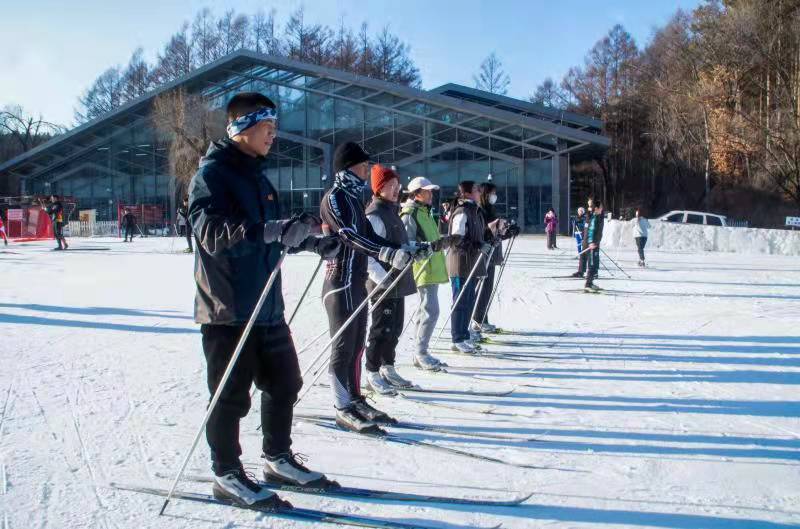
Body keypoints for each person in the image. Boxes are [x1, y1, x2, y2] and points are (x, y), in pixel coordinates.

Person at [188, 92, 341, 508]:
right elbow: (212, 233)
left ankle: (277, 458)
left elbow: (271, 233)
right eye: (266, 128)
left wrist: (310, 241)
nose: (273, 136)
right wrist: (272, 231)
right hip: (230, 306)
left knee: (285, 382)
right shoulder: (212, 175)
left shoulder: (257, 176)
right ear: (240, 128)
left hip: (267, 304)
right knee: (231, 395)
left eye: (274, 128)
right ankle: (227, 473)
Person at [320, 142, 420, 433]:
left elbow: (370, 238)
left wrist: (405, 248)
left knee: (355, 346)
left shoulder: (355, 198)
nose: (367, 170)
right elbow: (350, 236)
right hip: (339, 282)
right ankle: (342, 406)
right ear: (348, 166)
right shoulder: (336, 197)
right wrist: (387, 254)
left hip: (357, 282)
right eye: (363, 165)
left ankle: (354, 399)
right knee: (342, 346)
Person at [364, 165, 419, 395]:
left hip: (398, 282)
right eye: (390, 186)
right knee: (381, 329)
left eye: (397, 186)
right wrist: (382, 281)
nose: (396, 190)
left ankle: (388, 366)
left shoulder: (392, 211)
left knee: (395, 328)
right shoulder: (374, 215)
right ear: (378, 188)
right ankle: (372, 370)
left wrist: (413, 249)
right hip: (383, 284)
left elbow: (397, 244)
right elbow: (368, 255)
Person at [400, 177, 449, 372]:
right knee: (431, 310)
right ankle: (421, 352)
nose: (431, 194)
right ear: (417, 193)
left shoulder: (425, 212)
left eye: (431, 191)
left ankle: (419, 352)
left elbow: (431, 238)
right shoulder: (410, 213)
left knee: (426, 310)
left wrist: (442, 242)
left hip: (432, 267)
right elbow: (406, 244)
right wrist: (427, 247)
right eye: (427, 191)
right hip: (421, 268)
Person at [447, 181, 492, 354]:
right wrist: (477, 245)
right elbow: (457, 238)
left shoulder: (475, 211)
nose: (479, 192)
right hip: (460, 263)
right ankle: (456, 337)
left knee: (468, 300)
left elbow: (479, 234)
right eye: (476, 190)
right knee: (460, 300)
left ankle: (463, 335)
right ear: (466, 193)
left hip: (470, 263)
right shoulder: (462, 212)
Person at [471, 182, 513, 334]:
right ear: (485, 194)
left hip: (492, 253)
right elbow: (483, 231)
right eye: (492, 193)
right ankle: (477, 318)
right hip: (483, 254)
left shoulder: (490, 209)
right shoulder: (480, 210)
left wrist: (508, 232)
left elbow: (496, 233)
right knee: (481, 288)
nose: (494, 196)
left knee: (487, 289)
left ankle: (482, 318)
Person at [584, 201, 605, 292]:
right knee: (592, 264)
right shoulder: (594, 218)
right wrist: (591, 242)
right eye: (600, 207)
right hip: (592, 244)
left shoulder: (598, 217)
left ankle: (591, 282)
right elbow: (591, 231)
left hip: (596, 244)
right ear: (596, 208)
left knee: (595, 264)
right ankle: (588, 284)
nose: (602, 209)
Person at [574, 198, 593, 278]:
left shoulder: (591, 214)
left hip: (586, 235)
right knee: (582, 253)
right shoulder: (585, 215)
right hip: (581, 234)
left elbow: (591, 225)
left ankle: (592, 272)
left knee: (589, 255)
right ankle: (581, 271)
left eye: (590, 203)